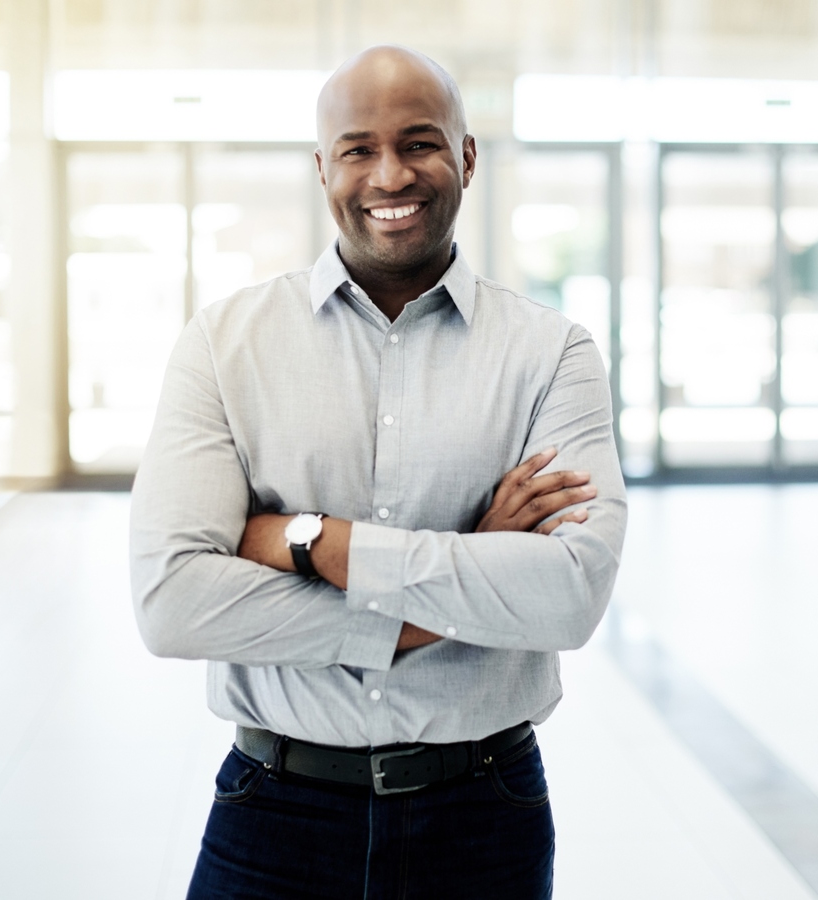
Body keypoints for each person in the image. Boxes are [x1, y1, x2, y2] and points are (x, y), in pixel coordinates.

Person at [130, 44, 627, 900]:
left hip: (485, 816)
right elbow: (173, 602)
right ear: (323, 168)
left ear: (466, 157)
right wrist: (464, 571)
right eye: (358, 148)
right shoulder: (224, 344)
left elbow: (569, 596)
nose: (390, 174)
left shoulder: (553, 354)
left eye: (420, 142)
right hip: (272, 813)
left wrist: (314, 542)